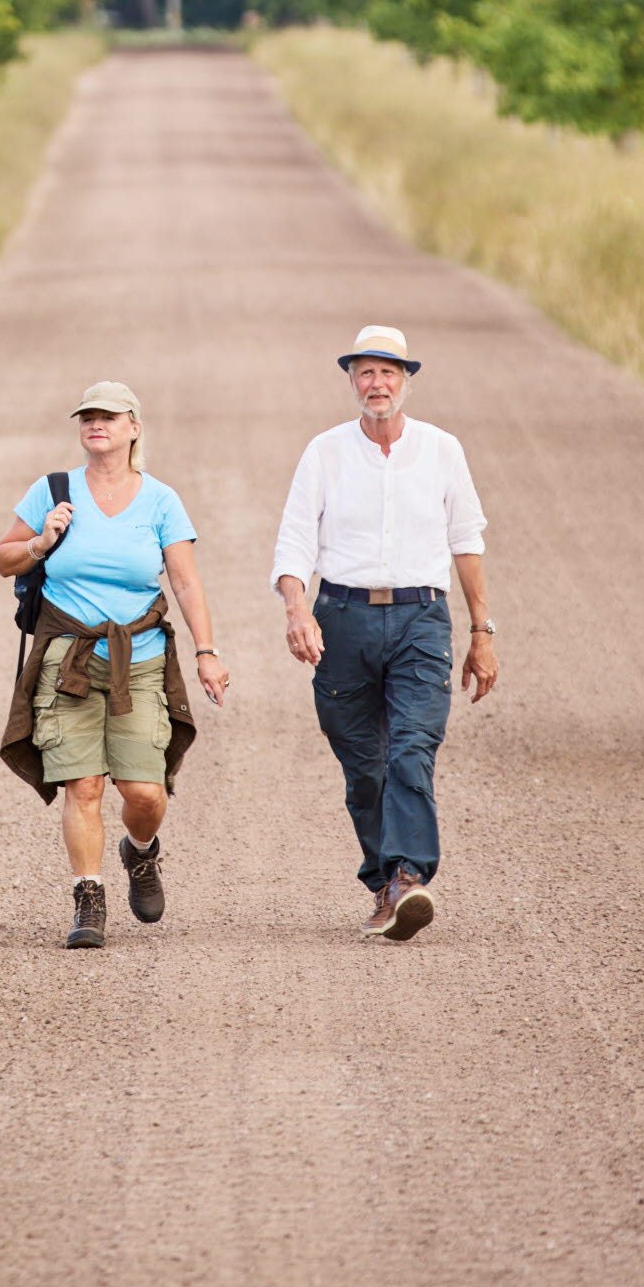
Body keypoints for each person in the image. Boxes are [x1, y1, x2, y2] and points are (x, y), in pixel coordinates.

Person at [271, 324, 495, 942]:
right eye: (366, 373)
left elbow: (466, 541)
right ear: (351, 381)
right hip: (343, 618)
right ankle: (383, 880)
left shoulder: (443, 450)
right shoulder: (325, 452)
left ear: (406, 381)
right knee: (364, 766)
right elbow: (294, 543)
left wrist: (482, 631)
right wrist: (298, 610)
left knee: (411, 748)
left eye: (388, 372)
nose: (377, 384)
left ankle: (408, 877)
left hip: (423, 617)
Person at [0, 381, 230, 949]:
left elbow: (185, 580)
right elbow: (4, 558)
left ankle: (141, 852)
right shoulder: (52, 491)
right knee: (84, 785)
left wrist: (206, 651)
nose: (96, 424)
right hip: (67, 657)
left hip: (141, 661)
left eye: (109, 416)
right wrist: (41, 543)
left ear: (133, 428)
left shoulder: (160, 500)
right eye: (87, 417)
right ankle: (88, 896)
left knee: (144, 793)